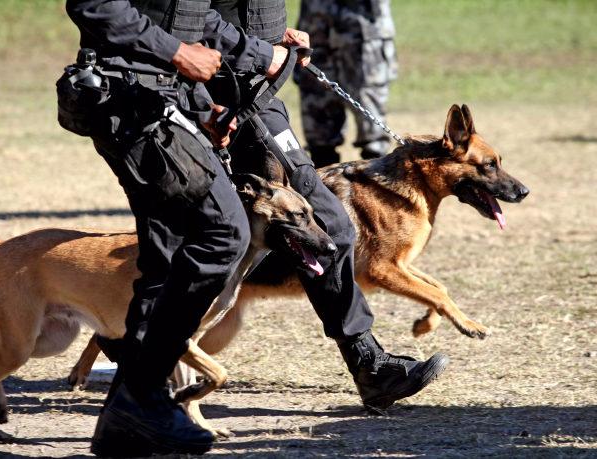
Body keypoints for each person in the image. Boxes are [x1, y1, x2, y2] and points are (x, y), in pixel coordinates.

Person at [64, 1, 307, 456]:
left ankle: (124, 421)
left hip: (168, 100)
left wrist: (202, 107)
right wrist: (177, 52)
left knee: (164, 258)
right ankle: (143, 396)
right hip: (127, 98)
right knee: (224, 231)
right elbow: (94, 5)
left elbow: (187, 17)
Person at [204, 0, 448, 425]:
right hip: (208, 94)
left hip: (258, 96)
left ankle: (370, 367)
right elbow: (186, 18)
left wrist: (276, 39)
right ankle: (138, 346)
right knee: (208, 232)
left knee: (331, 225)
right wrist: (263, 53)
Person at [294, 0, 398, 167]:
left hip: (361, 24)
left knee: (368, 109)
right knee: (317, 110)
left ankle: (376, 184)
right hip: (315, 22)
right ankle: (320, 186)